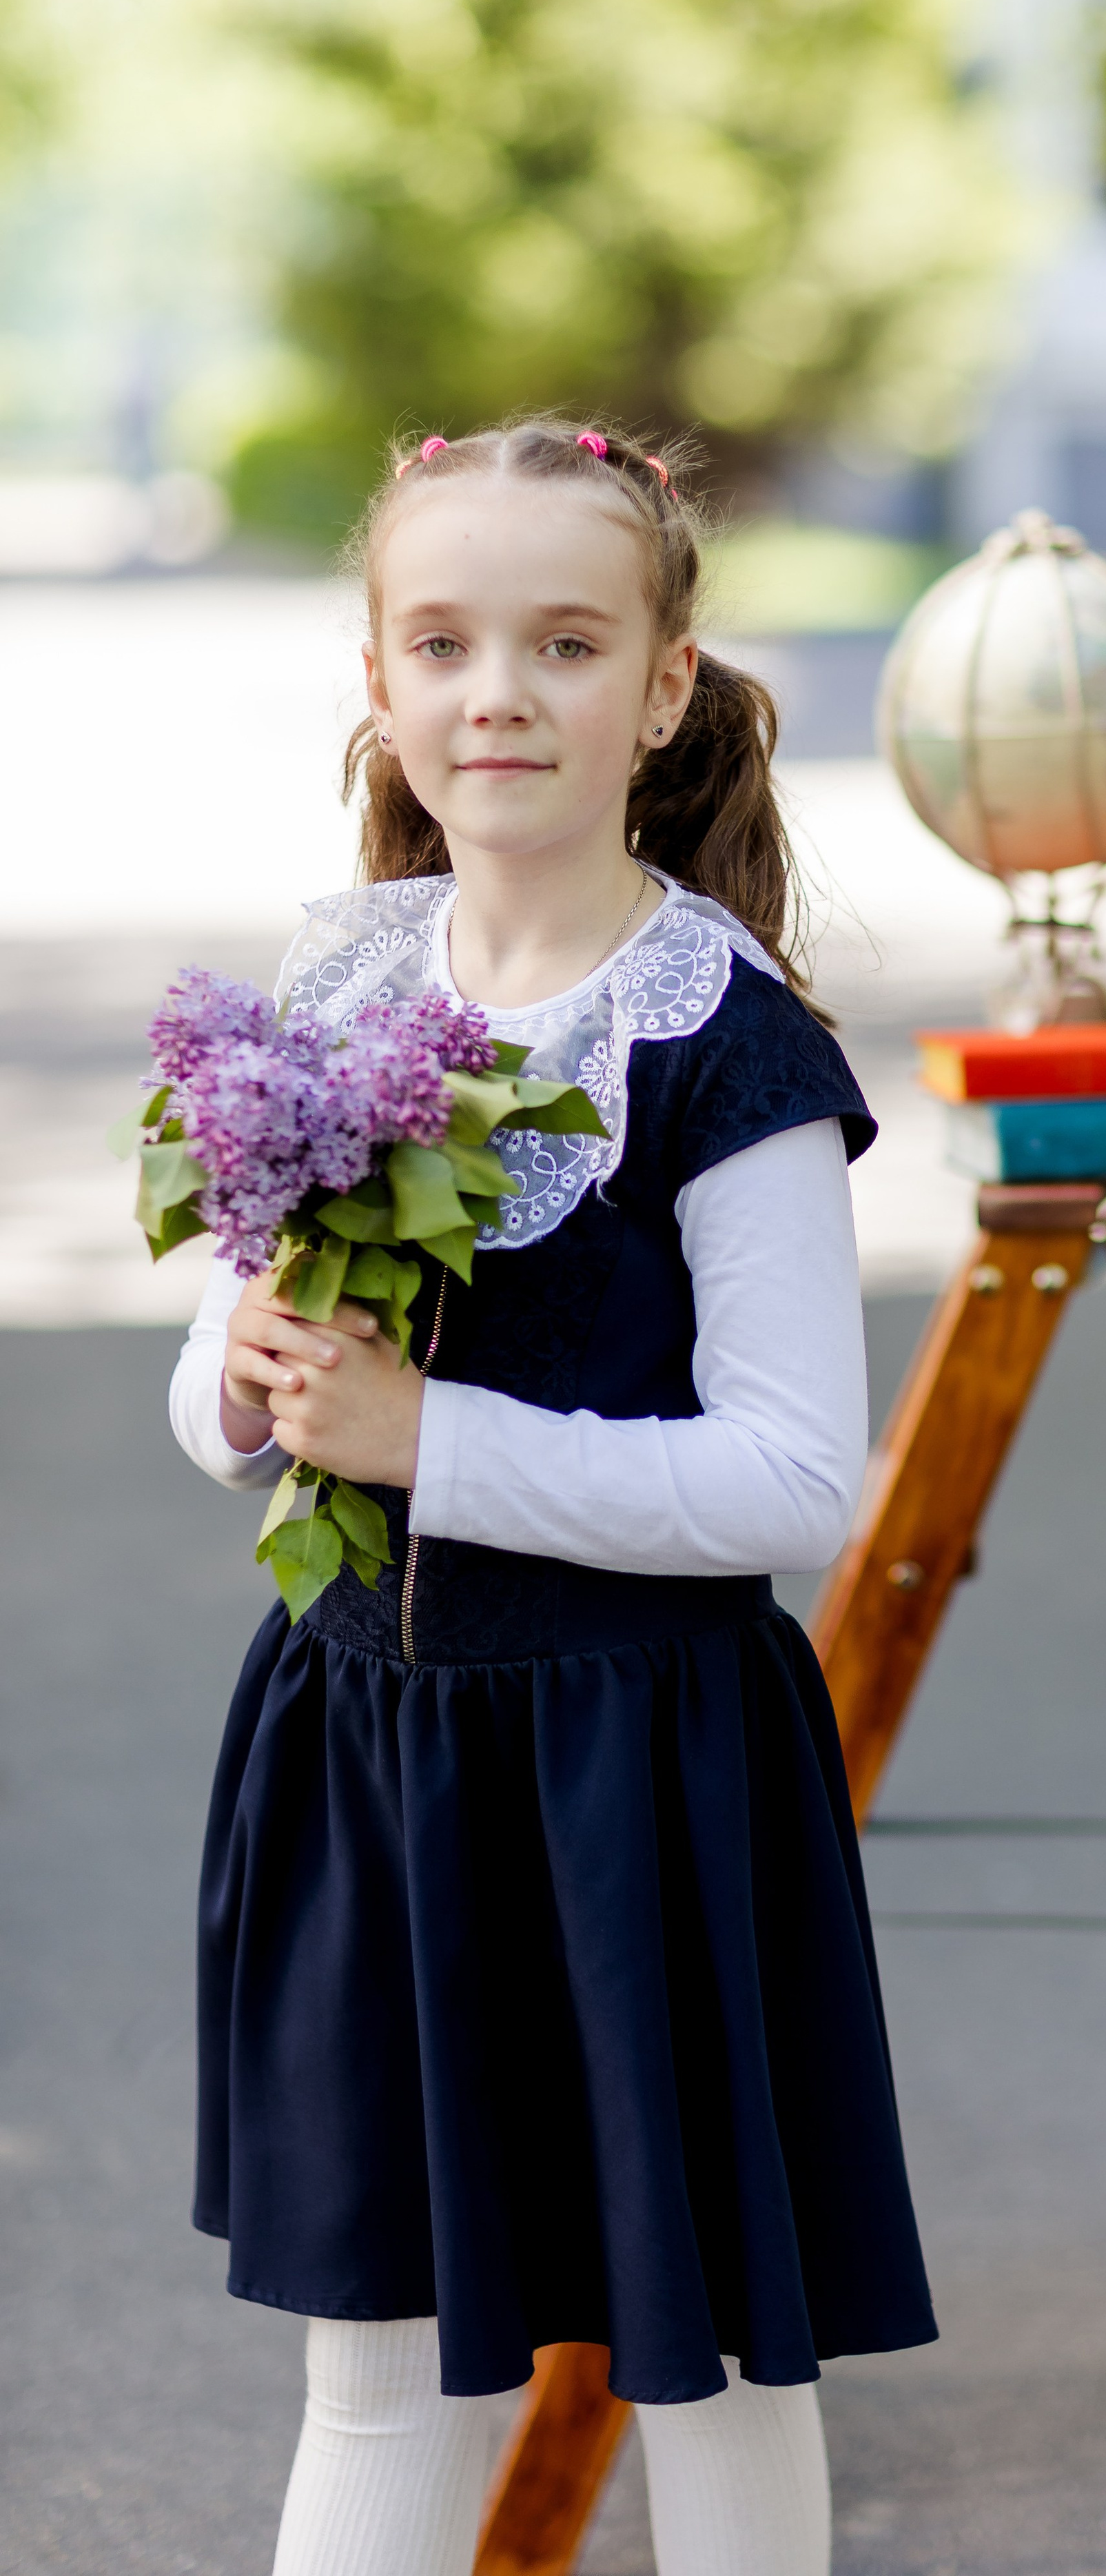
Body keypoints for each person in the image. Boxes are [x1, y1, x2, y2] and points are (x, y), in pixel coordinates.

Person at [168, 416, 936, 2576]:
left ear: (662, 689)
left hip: (645, 1782)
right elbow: (233, 1387)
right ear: (386, 688)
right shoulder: (327, 994)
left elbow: (798, 1474)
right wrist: (235, 1387)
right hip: (369, 1768)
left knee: (713, 2356)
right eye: (446, 639)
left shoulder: (727, 1042)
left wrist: (439, 1448)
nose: (499, 690)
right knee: (378, 2356)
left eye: (566, 641)